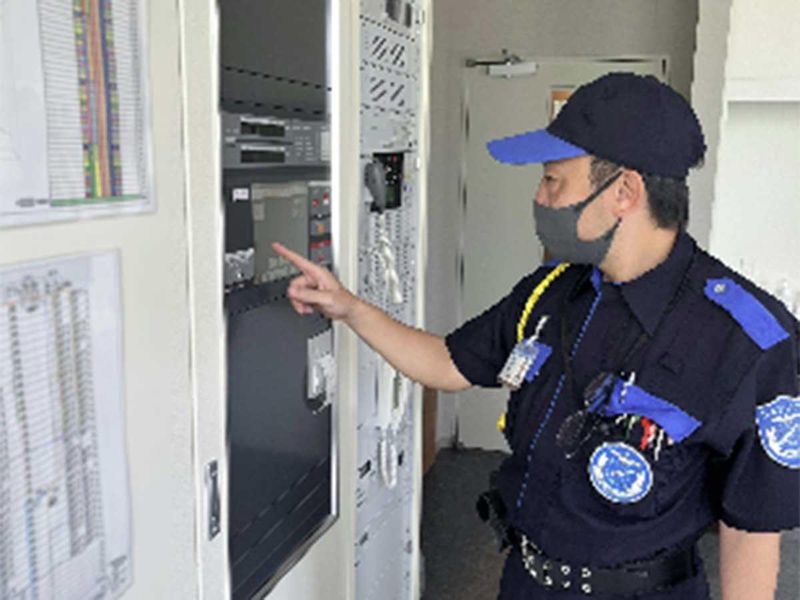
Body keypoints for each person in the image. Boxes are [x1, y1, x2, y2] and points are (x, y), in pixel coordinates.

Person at [273, 72, 799, 599]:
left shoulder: (748, 339)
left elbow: (752, 528)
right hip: (526, 581)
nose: (541, 197)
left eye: (553, 181)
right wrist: (349, 308)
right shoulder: (551, 292)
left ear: (624, 191)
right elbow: (447, 363)